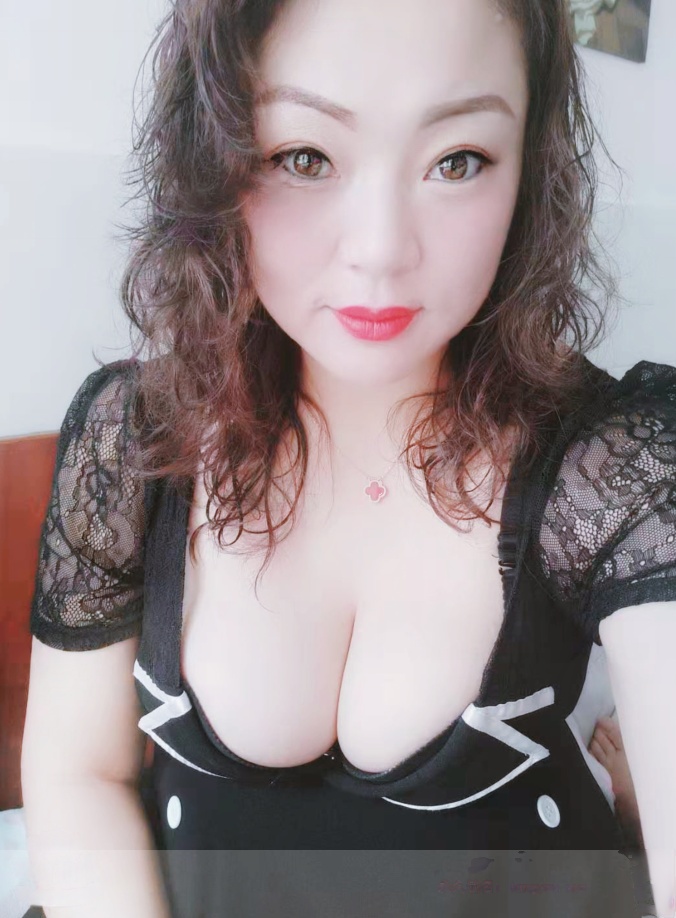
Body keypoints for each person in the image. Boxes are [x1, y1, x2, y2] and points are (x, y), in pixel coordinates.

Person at [20, 0, 676, 916]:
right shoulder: (132, 436)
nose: (380, 252)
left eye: (458, 160)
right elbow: (78, 767)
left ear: (529, 167)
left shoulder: (621, 459)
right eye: (304, 157)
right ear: (215, 157)